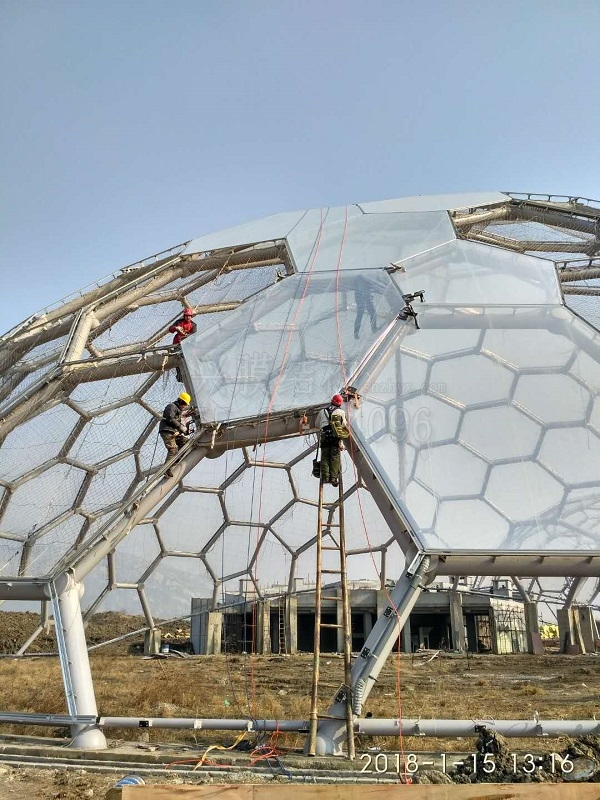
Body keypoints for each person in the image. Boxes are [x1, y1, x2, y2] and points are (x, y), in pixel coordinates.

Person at [316, 394, 349, 486]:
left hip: (324, 436)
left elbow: (317, 424)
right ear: (340, 403)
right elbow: (343, 424)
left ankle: (325, 477)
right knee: (335, 457)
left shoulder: (322, 411)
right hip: (335, 437)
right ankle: (333, 478)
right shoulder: (340, 412)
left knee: (325, 456)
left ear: (331, 401)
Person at [159, 392, 192, 477]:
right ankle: (166, 469)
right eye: (184, 403)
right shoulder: (171, 406)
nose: (184, 406)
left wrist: (184, 430)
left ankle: (175, 460)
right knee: (172, 449)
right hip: (167, 431)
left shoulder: (178, 410)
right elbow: (170, 417)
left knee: (186, 443)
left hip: (173, 432)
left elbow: (176, 421)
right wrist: (181, 427)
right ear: (180, 401)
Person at [170, 308, 197, 381]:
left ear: (191, 316)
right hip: (177, 343)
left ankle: (191, 374)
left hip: (187, 344)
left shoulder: (193, 325)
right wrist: (176, 328)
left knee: (188, 359)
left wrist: (186, 336)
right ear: (184, 316)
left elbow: (194, 335)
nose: (188, 317)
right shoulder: (179, 322)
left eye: (189, 316)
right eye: (186, 316)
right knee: (178, 358)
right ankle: (179, 375)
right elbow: (170, 330)